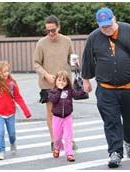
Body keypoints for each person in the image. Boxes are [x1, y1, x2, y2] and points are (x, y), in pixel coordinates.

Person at [81, 7, 130, 168]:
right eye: (103, 26)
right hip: (106, 88)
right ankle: (115, 152)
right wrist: (86, 80)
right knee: (111, 121)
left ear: (114, 18)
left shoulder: (128, 30)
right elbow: (87, 59)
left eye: (109, 24)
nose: (107, 28)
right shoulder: (93, 37)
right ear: (98, 24)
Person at [33, 15, 78, 151]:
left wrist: (75, 63)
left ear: (59, 27)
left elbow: (71, 57)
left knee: (67, 112)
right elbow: (36, 63)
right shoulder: (41, 43)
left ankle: (69, 139)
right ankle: (55, 140)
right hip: (48, 84)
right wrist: (46, 75)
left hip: (64, 83)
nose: (50, 33)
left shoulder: (67, 41)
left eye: (53, 30)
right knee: (52, 113)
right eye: (47, 31)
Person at [48, 70, 87, 162]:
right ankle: (57, 147)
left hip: (67, 117)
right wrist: (59, 90)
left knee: (68, 136)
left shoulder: (69, 91)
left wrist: (84, 89)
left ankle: (69, 153)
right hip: (57, 118)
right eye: (59, 80)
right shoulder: (52, 91)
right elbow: (53, 100)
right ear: (55, 81)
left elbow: (77, 94)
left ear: (67, 82)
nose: (61, 82)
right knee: (57, 137)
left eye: (64, 81)